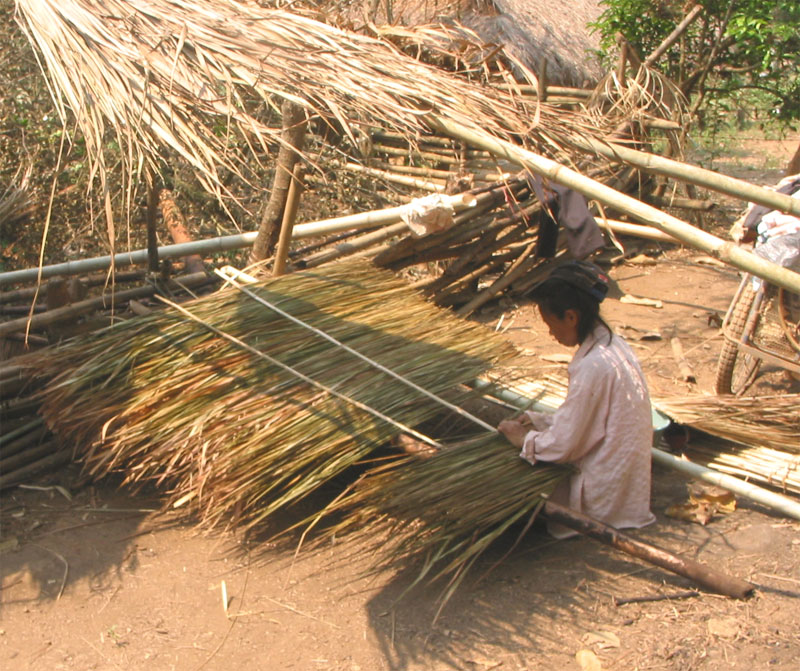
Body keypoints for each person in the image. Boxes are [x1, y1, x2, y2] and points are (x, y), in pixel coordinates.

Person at [498, 260, 656, 538]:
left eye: (551, 324)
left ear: (571, 317)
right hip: (627, 481)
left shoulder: (593, 365)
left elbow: (567, 443)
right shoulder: (613, 345)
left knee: (530, 469)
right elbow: (592, 417)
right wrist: (539, 420)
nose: (550, 333)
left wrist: (524, 440)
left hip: (604, 490)